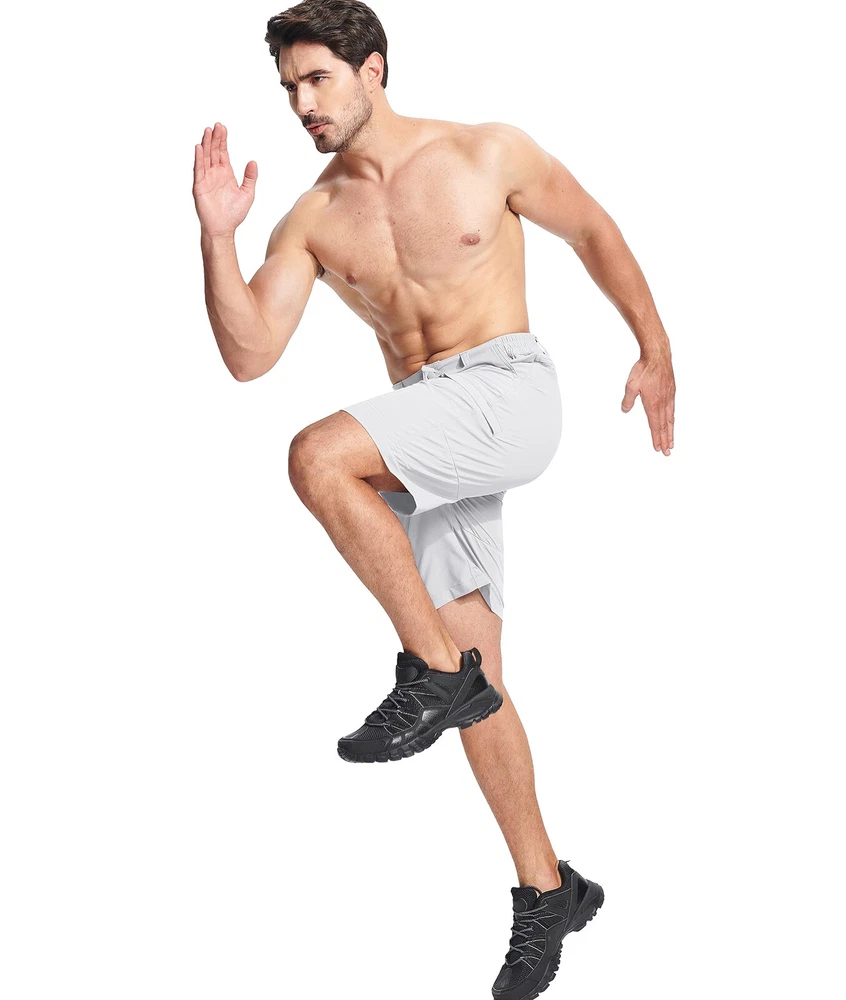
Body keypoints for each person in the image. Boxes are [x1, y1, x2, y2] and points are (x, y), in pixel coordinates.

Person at [192, 2, 675, 996]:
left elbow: (592, 229)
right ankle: (548, 890)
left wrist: (655, 346)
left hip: (509, 388)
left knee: (319, 458)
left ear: (373, 68)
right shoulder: (312, 219)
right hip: (431, 431)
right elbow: (249, 354)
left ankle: (430, 672)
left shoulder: (485, 151)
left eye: (318, 79)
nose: (302, 103)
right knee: (483, 680)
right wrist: (215, 238)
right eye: (288, 87)